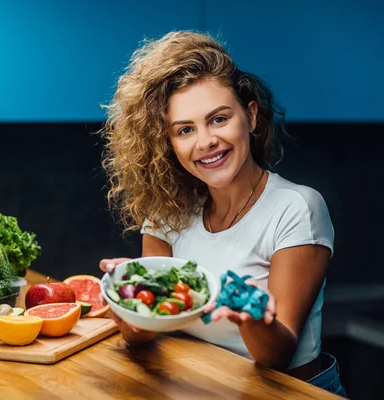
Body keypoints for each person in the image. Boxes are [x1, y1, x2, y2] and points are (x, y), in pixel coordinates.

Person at [98, 31, 346, 397]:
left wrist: (251, 317)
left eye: (218, 119)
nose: (205, 141)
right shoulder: (166, 211)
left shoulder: (297, 208)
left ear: (251, 115)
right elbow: (150, 332)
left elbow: (277, 355)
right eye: (185, 130)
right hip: (202, 387)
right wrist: (131, 305)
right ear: (169, 144)